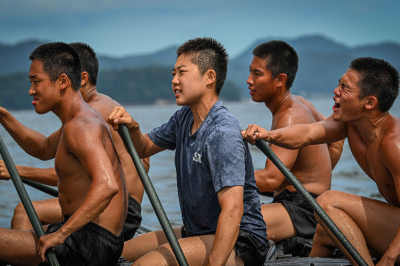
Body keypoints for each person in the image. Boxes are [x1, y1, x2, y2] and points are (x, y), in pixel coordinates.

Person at [108, 37, 269, 266]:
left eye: (181, 73)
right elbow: (143, 147)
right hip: (196, 232)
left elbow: (233, 209)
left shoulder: (222, 132)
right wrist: (133, 126)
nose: (174, 81)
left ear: (210, 77)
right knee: (116, 252)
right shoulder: (183, 117)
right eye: (173, 73)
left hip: (242, 241)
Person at [241, 57, 400, 266]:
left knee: (327, 201)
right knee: (324, 231)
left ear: (369, 102)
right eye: (339, 83)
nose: (336, 91)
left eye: (345, 87)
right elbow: (307, 133)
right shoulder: (351, 125)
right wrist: (269, 135)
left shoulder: (393, 144)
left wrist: (388, 260)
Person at [0, 42, 149, 241]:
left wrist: (17, 171)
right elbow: (44, 148)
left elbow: (76, 175)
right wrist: (4, 116)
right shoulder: (86, 114)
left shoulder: (94, 114)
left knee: (24, 212)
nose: (31, 90)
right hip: (110, 205)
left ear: (77, 78)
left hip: (115, 210)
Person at [246, 40, 343, 243]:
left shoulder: (290, 115)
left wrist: (216, 178)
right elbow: (336, 141)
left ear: (280, 80)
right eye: (250, 72)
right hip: (309, 203)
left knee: (224, 222)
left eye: (257, 74)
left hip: (303, 209)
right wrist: (317, 176)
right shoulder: (301, 102)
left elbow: (272, 179)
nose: (249, 80)